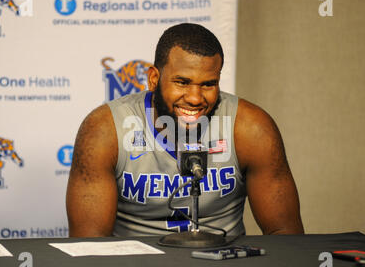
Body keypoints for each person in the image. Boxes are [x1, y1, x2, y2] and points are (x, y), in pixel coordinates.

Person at [66, 23, 304, 237]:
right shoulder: (104, 130)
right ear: (154, 78)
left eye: (208, 84)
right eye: (182, 82)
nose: (195, 98)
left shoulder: (251, 128)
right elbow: (90, 244)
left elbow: (284, 235)